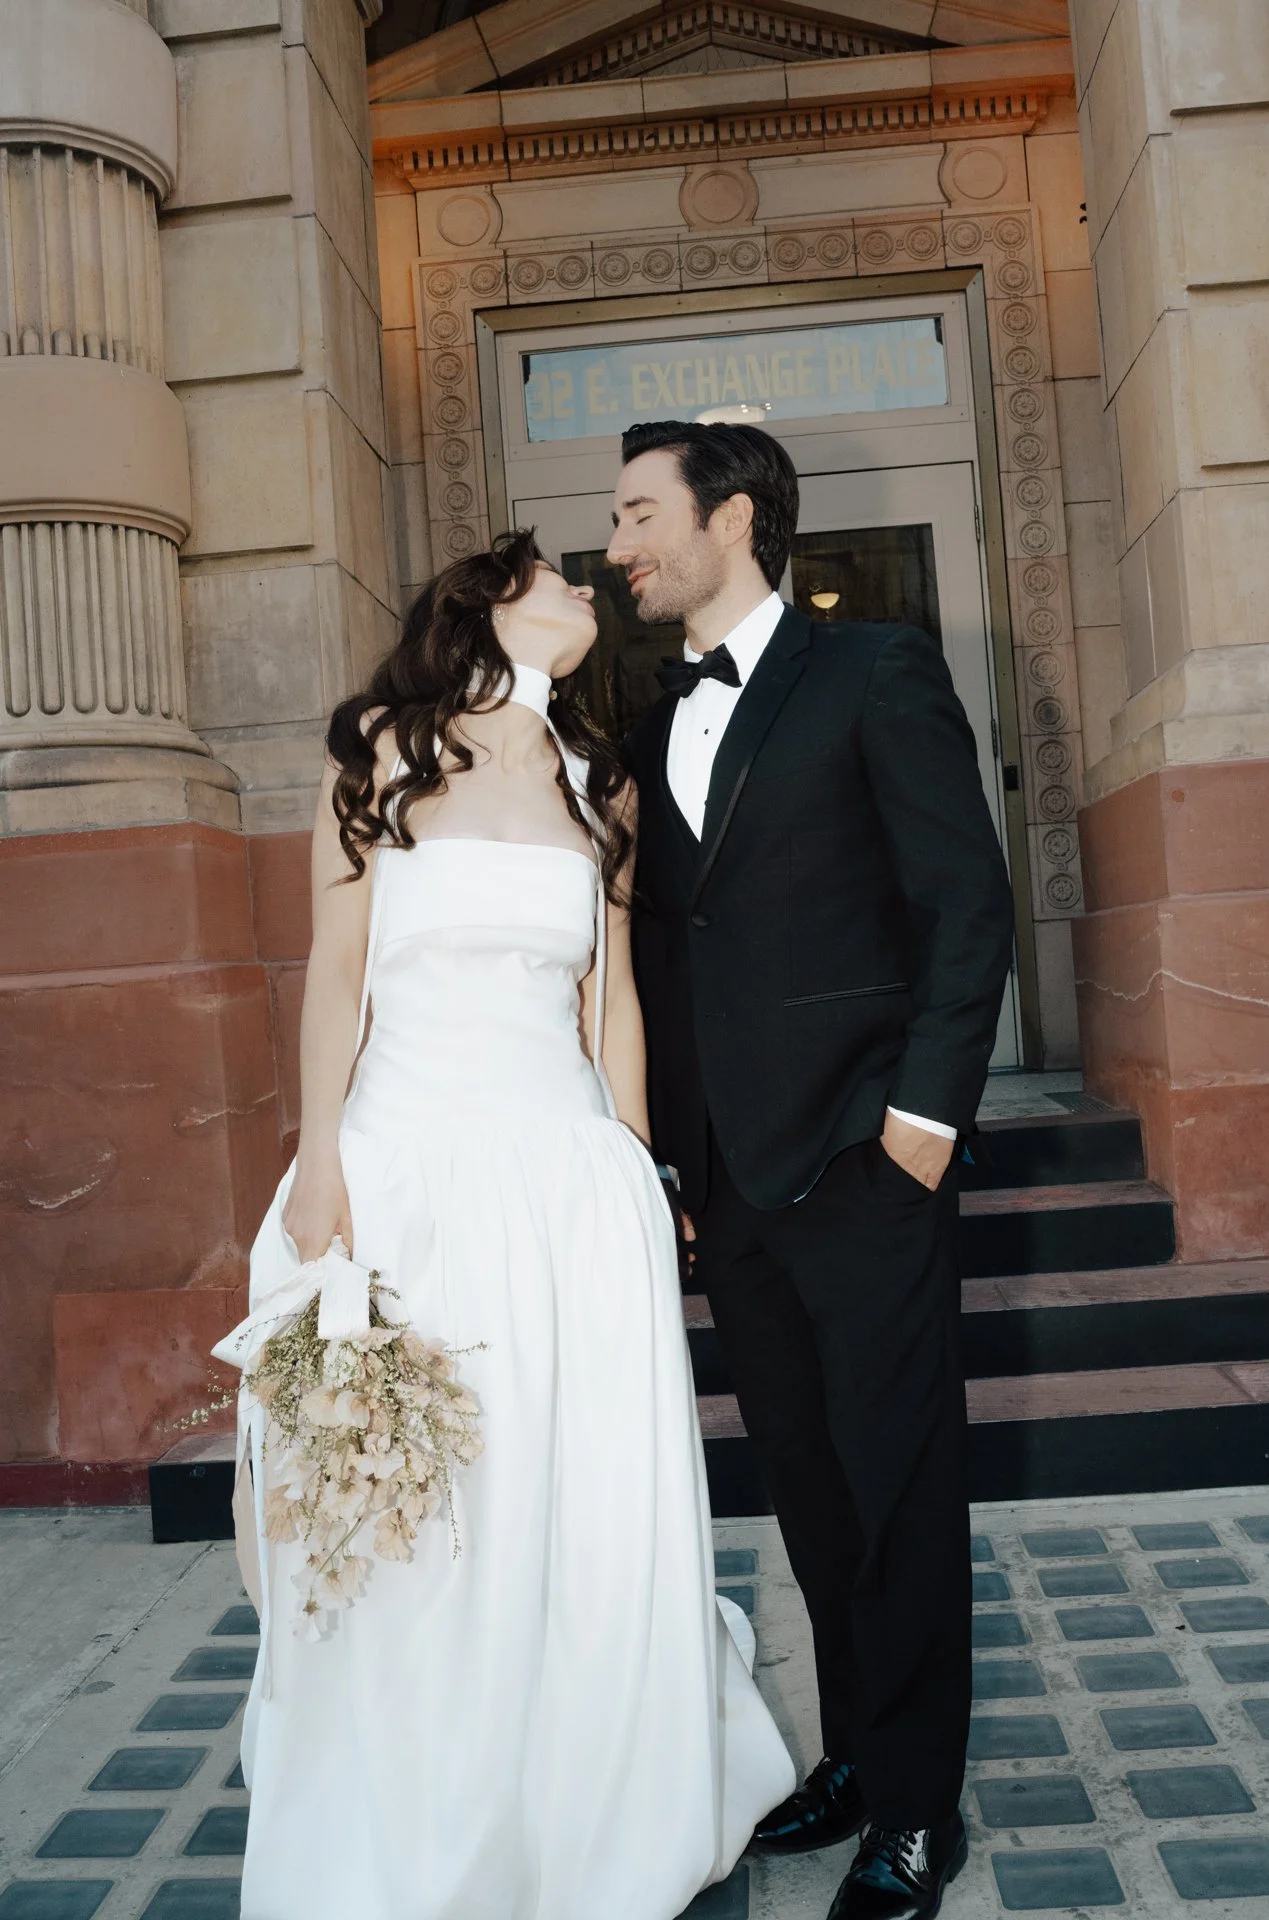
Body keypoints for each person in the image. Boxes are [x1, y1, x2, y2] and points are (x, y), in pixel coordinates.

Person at [232, 531, 795, 1920]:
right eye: (557, 577)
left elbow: (611, 1000)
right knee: (428, 1512)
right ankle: (425, 1803)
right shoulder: (380, 745)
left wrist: (640, 1165)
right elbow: (335, 969)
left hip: (563, 1176)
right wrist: (318, 1166)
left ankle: (584, 1798)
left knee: (573, 1490)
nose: (588, 592)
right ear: (486, 601)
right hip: (405, 1169)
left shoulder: (596, 780)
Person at [611, 421, 1014, 1920]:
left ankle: (916, 1813)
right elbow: (671, 944)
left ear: (731, 517)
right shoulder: (654, 721)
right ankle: (856, 1753)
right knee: (812, 1493)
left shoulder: (877, 671)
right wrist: (674, 1164)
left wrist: (921, 1127)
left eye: (640, 513)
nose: (619, 544)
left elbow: (965, 907)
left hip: (863, 1160)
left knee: (901, 1490)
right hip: (733, 1184)